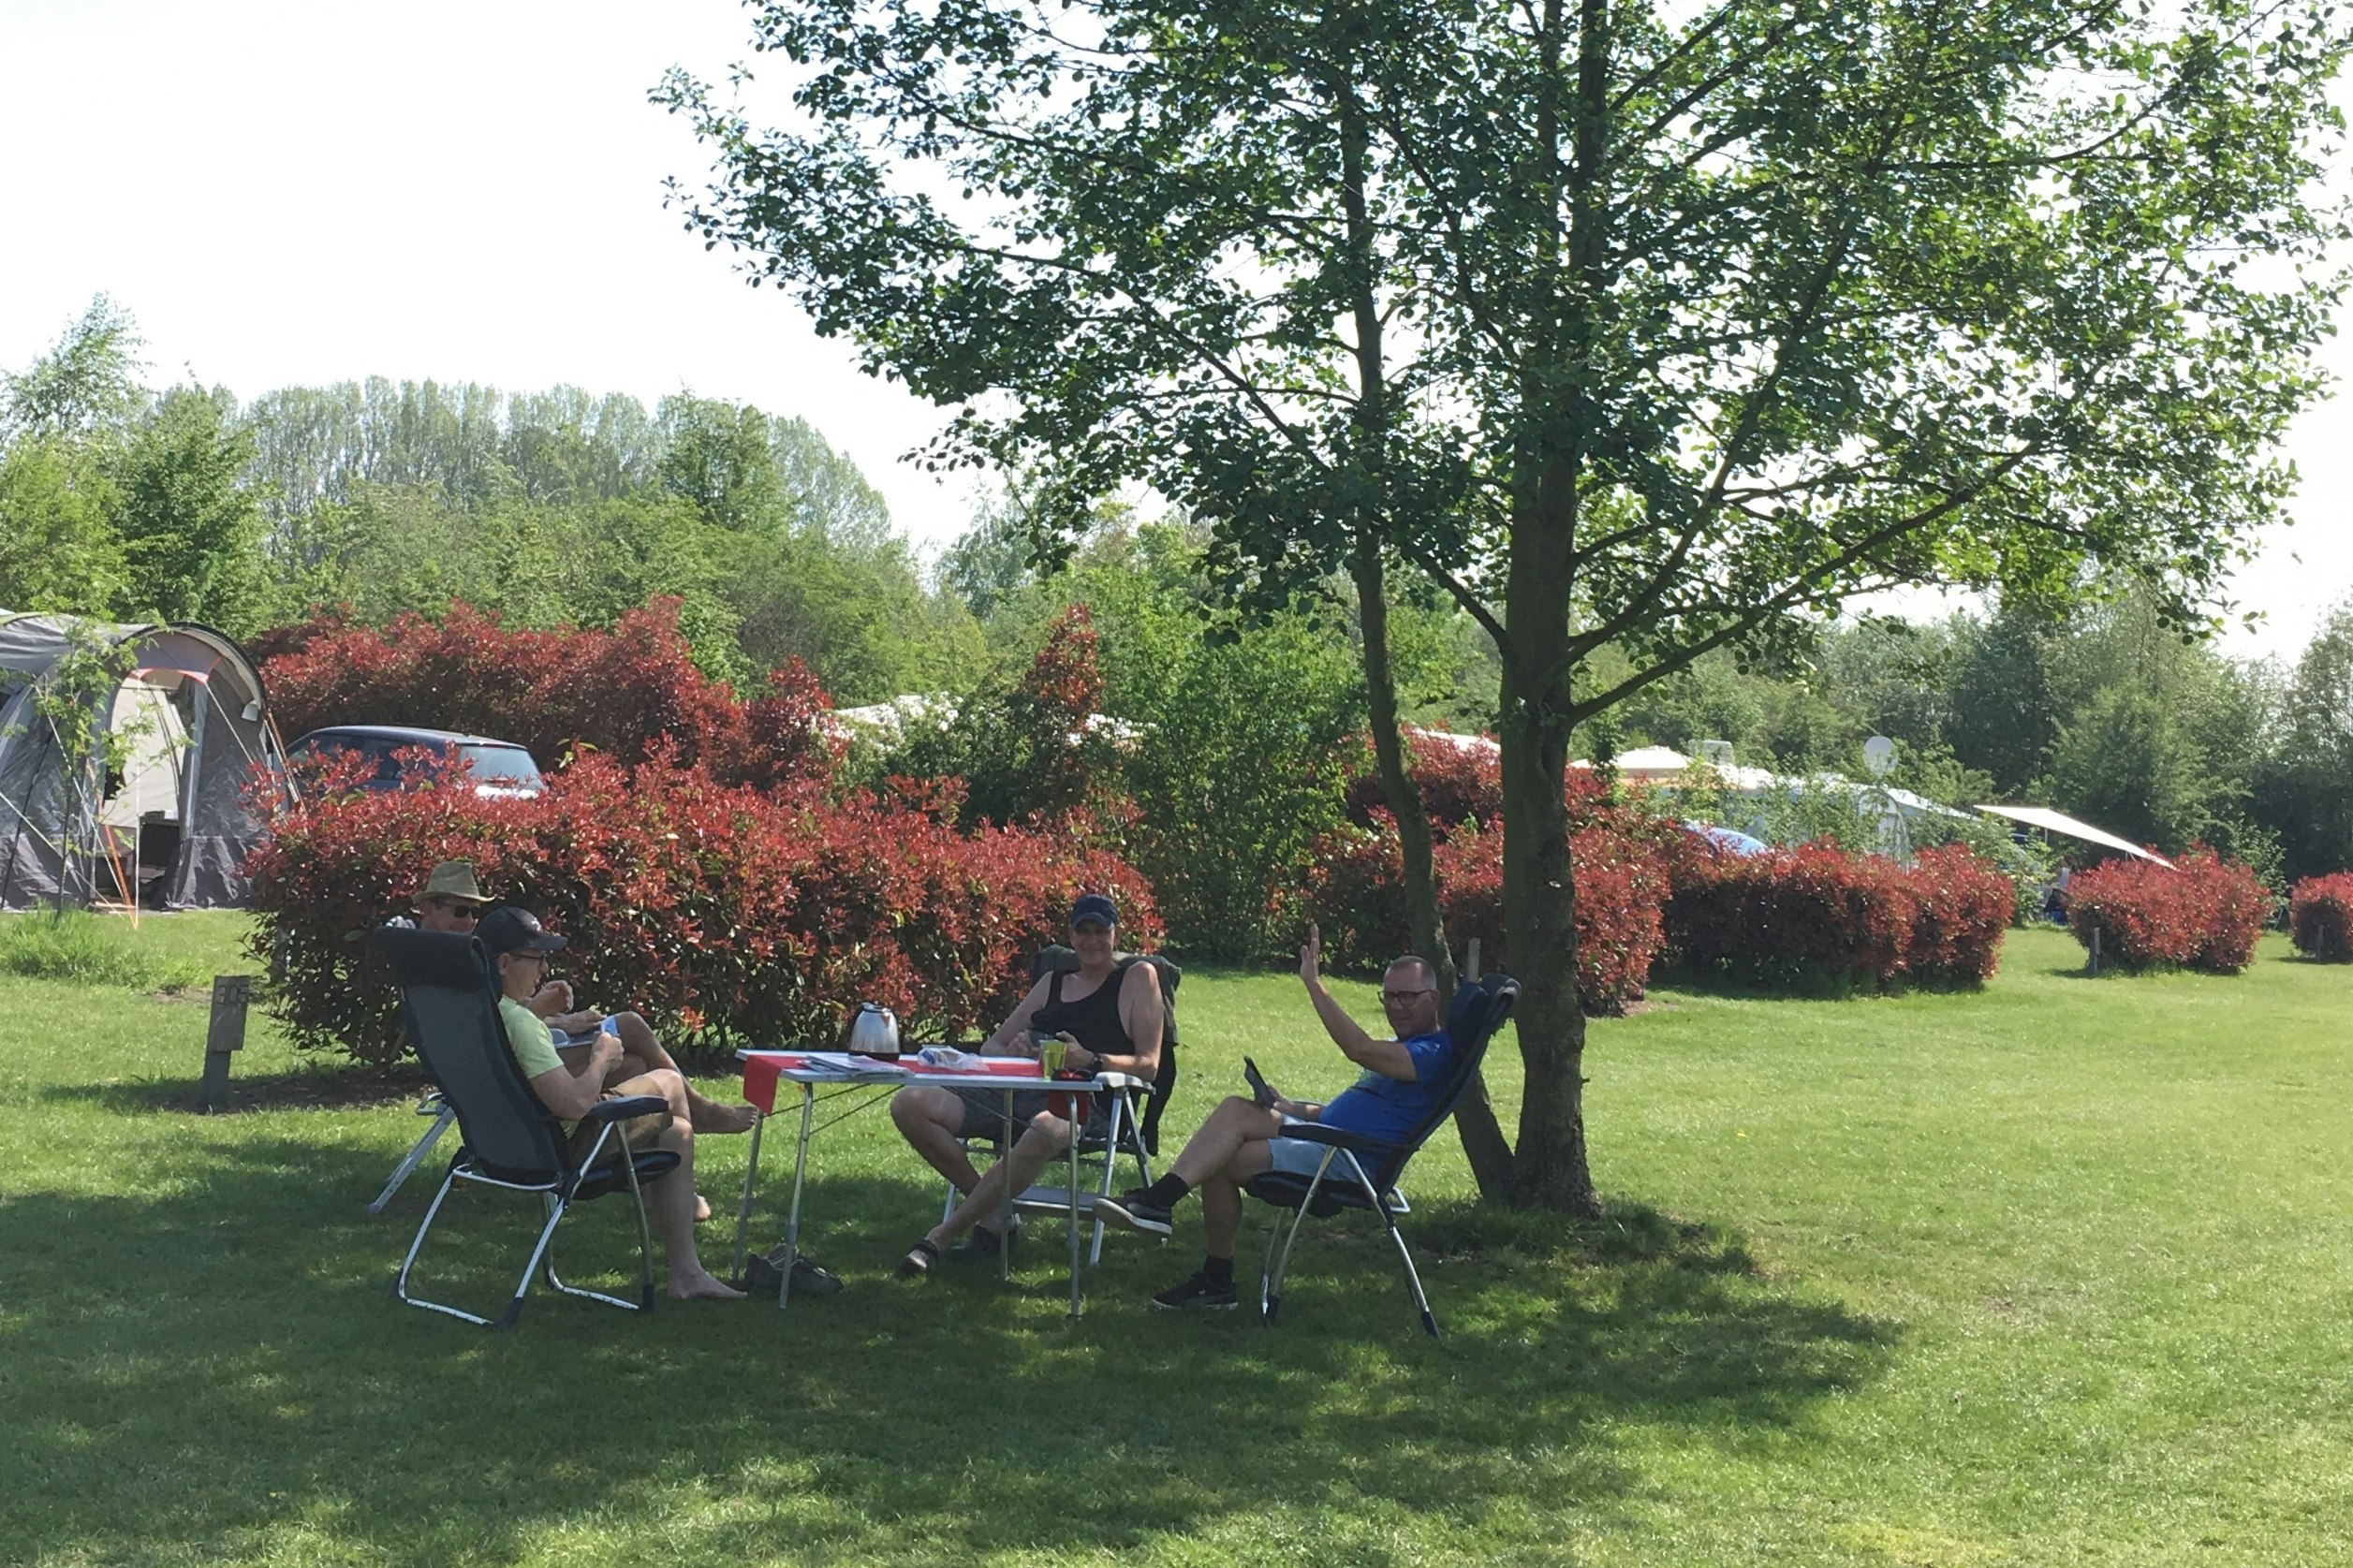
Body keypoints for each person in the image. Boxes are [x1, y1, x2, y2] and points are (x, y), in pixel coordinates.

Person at [1094, 923, 1449, 1311]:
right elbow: (1335, 1112)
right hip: (1329, 1137)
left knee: (1222, 1153)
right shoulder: (1404, 1050)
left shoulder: (1433, 1054)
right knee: (1232, 1117)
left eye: (1408, 997)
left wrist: (1313, 983)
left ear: (1433, 997)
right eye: (1390, 996)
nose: (1396, 1006)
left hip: (1349, 1160)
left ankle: (1175, 1226)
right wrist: (1285, 1106)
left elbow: (1358, 1048)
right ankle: (1181, 1235)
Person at [890, 892, 1165, 1277]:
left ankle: (940, 1236)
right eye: (1083, 931)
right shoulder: (1054, 982)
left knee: (1046, 1127)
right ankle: (993, 1216)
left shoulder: (1138, 978)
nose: (1091, 940)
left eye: (1100, 931)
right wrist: (1019, 1052)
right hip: (1017, 1091)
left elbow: (1149, 1065)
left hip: (1088, 1102)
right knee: (909, 1105)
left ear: (1115, 934)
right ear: (1070, 936)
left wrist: (1089, 1060)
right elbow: (993, 1045)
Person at [477, 906, 742, 1301]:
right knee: (668, 1083)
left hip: (500, 1145)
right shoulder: (522, 1026)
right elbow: (574, 1105)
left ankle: (687, 1267)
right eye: (538, 959)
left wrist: (547, 1016)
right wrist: (601, 1058)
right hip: (561, 1150)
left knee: (677, 1133)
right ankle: (679, 1237)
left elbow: (514, 1043)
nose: (545, 969)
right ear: (503, 963)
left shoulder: (480, 1011)